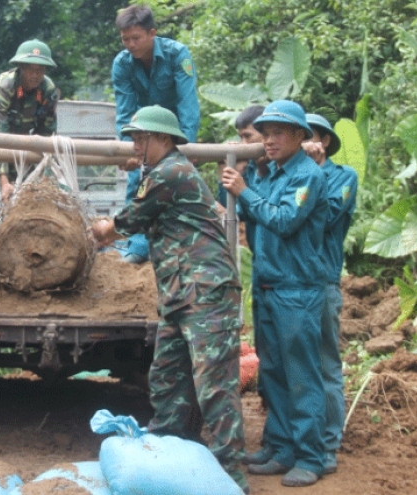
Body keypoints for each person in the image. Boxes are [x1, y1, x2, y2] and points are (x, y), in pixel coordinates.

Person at [91, 106, 248, 494]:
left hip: (206, 291)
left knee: (214, 387)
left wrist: (100, 231)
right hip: (181, 292)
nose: (135, 145)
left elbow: (126, 222)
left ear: (162, 139)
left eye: (140, 139)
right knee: (166, 377)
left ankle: (232, 477)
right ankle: (168, 456)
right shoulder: (162, 171)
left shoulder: (170, 173)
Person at [221, 100, 329, 487]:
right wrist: (238, 192)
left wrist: (246, 192)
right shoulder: (268, 175)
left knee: (302, 376)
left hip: (297, 290)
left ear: (301, 136)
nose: (269, 140)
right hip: (268, 287)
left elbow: (284, 220)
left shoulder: (307, 176)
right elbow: (252, 215)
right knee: (274, 374)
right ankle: (281, 447)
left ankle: (312, 457)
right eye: (265, 133)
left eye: (278, 132)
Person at [112, 4, 200, 264]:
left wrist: (186, 148)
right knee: (136, 184)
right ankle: (137, 245)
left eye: (136, 38)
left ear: (152, 33)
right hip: (142, 134)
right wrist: (129, 148)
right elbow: (125, 109)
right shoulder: (122, 64)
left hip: (172, 135)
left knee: (178, 187)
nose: (130, 44)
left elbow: (188, 105)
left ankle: (180, 245)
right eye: (125, 39)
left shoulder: (177, 55)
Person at [303, 113, 358, 475]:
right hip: (290, 281)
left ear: (325, 143)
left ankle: (327, 444)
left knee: (325, 365)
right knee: (294, 364)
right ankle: (297, 440)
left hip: (322, 280)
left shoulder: (342, 177)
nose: (311, 145)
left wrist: (313, 171)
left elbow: (330, 213)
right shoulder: (286, 174)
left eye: (316, 139)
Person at [0, 39, 60, 207]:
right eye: (30, 69)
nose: (35, 75)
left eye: (40, 70)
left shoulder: (48, 90)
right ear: (20, 67)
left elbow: (46, 134)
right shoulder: (3, 88)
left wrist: (43, 174)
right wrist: (4, 181)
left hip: (21, 141)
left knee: (30, 188)